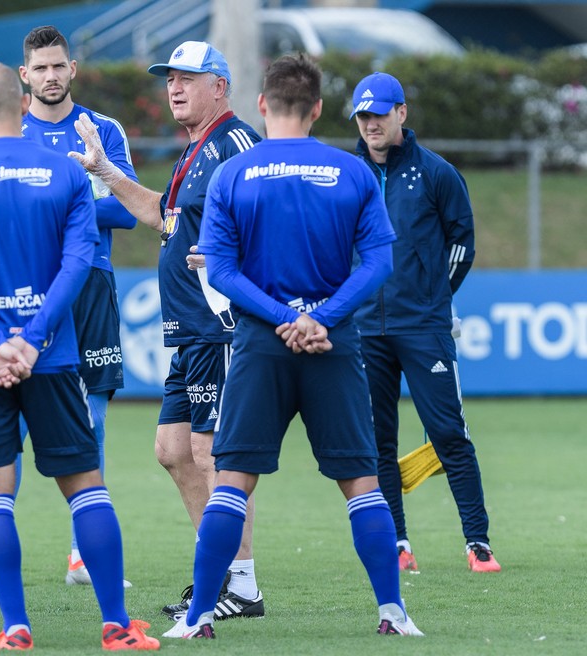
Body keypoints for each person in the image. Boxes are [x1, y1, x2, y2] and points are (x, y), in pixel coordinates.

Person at [159, 53, 422, 640]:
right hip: (333, 344)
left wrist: (284, 317)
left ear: (261, 104)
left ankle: (200, 615)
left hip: (261, 344)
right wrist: (320, 316)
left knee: (231, 482)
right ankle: (392, 611)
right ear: (319, 108)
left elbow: (220, 270)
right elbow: (379, 262)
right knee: (361, 483)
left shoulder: (234, 174)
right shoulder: (351, 172)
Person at [0, 60, 157, 652]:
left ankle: (16, 626)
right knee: (86, 488)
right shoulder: (67, 174)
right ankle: (117, 625)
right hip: (52, 359)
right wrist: (34, 337)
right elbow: (79, 263)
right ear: (23, 105)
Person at [71, 40, 263, 620]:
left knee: (211, 454)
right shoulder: (195, 150)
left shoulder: (235, 143)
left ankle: (242, 586)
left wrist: (240, 264)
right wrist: (105, 170)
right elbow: (162, 214)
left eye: (188, 77)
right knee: (172, 451)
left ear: (220, 87)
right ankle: (219, 573)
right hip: (190, 333)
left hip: (220, 328)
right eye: (169, 79)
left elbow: (269, 216)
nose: (174, 88)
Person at [0, 24, 139, 590]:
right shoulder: (12, 129)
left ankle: (80, 555)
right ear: (24, 76)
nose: (51, 76)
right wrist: (81, 194)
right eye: (40, 68)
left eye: (59, 66)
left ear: (73, 69)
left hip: (88, 287)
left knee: (92, 417)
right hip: (17, 290)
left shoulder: (102, 130)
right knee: (2, 420)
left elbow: (130, 209)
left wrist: (68, 193)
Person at [349, 71, 499, 573]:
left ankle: (477, 542)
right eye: (364, 116)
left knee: (449, 433)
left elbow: (463, 242)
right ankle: (398, 544)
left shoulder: (436, 172)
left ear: (402, 114)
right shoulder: (347, 173)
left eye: (380, 114)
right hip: (366, 331)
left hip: (424, 327)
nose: (372, 124)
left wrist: (435, 298)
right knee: (377, 441)